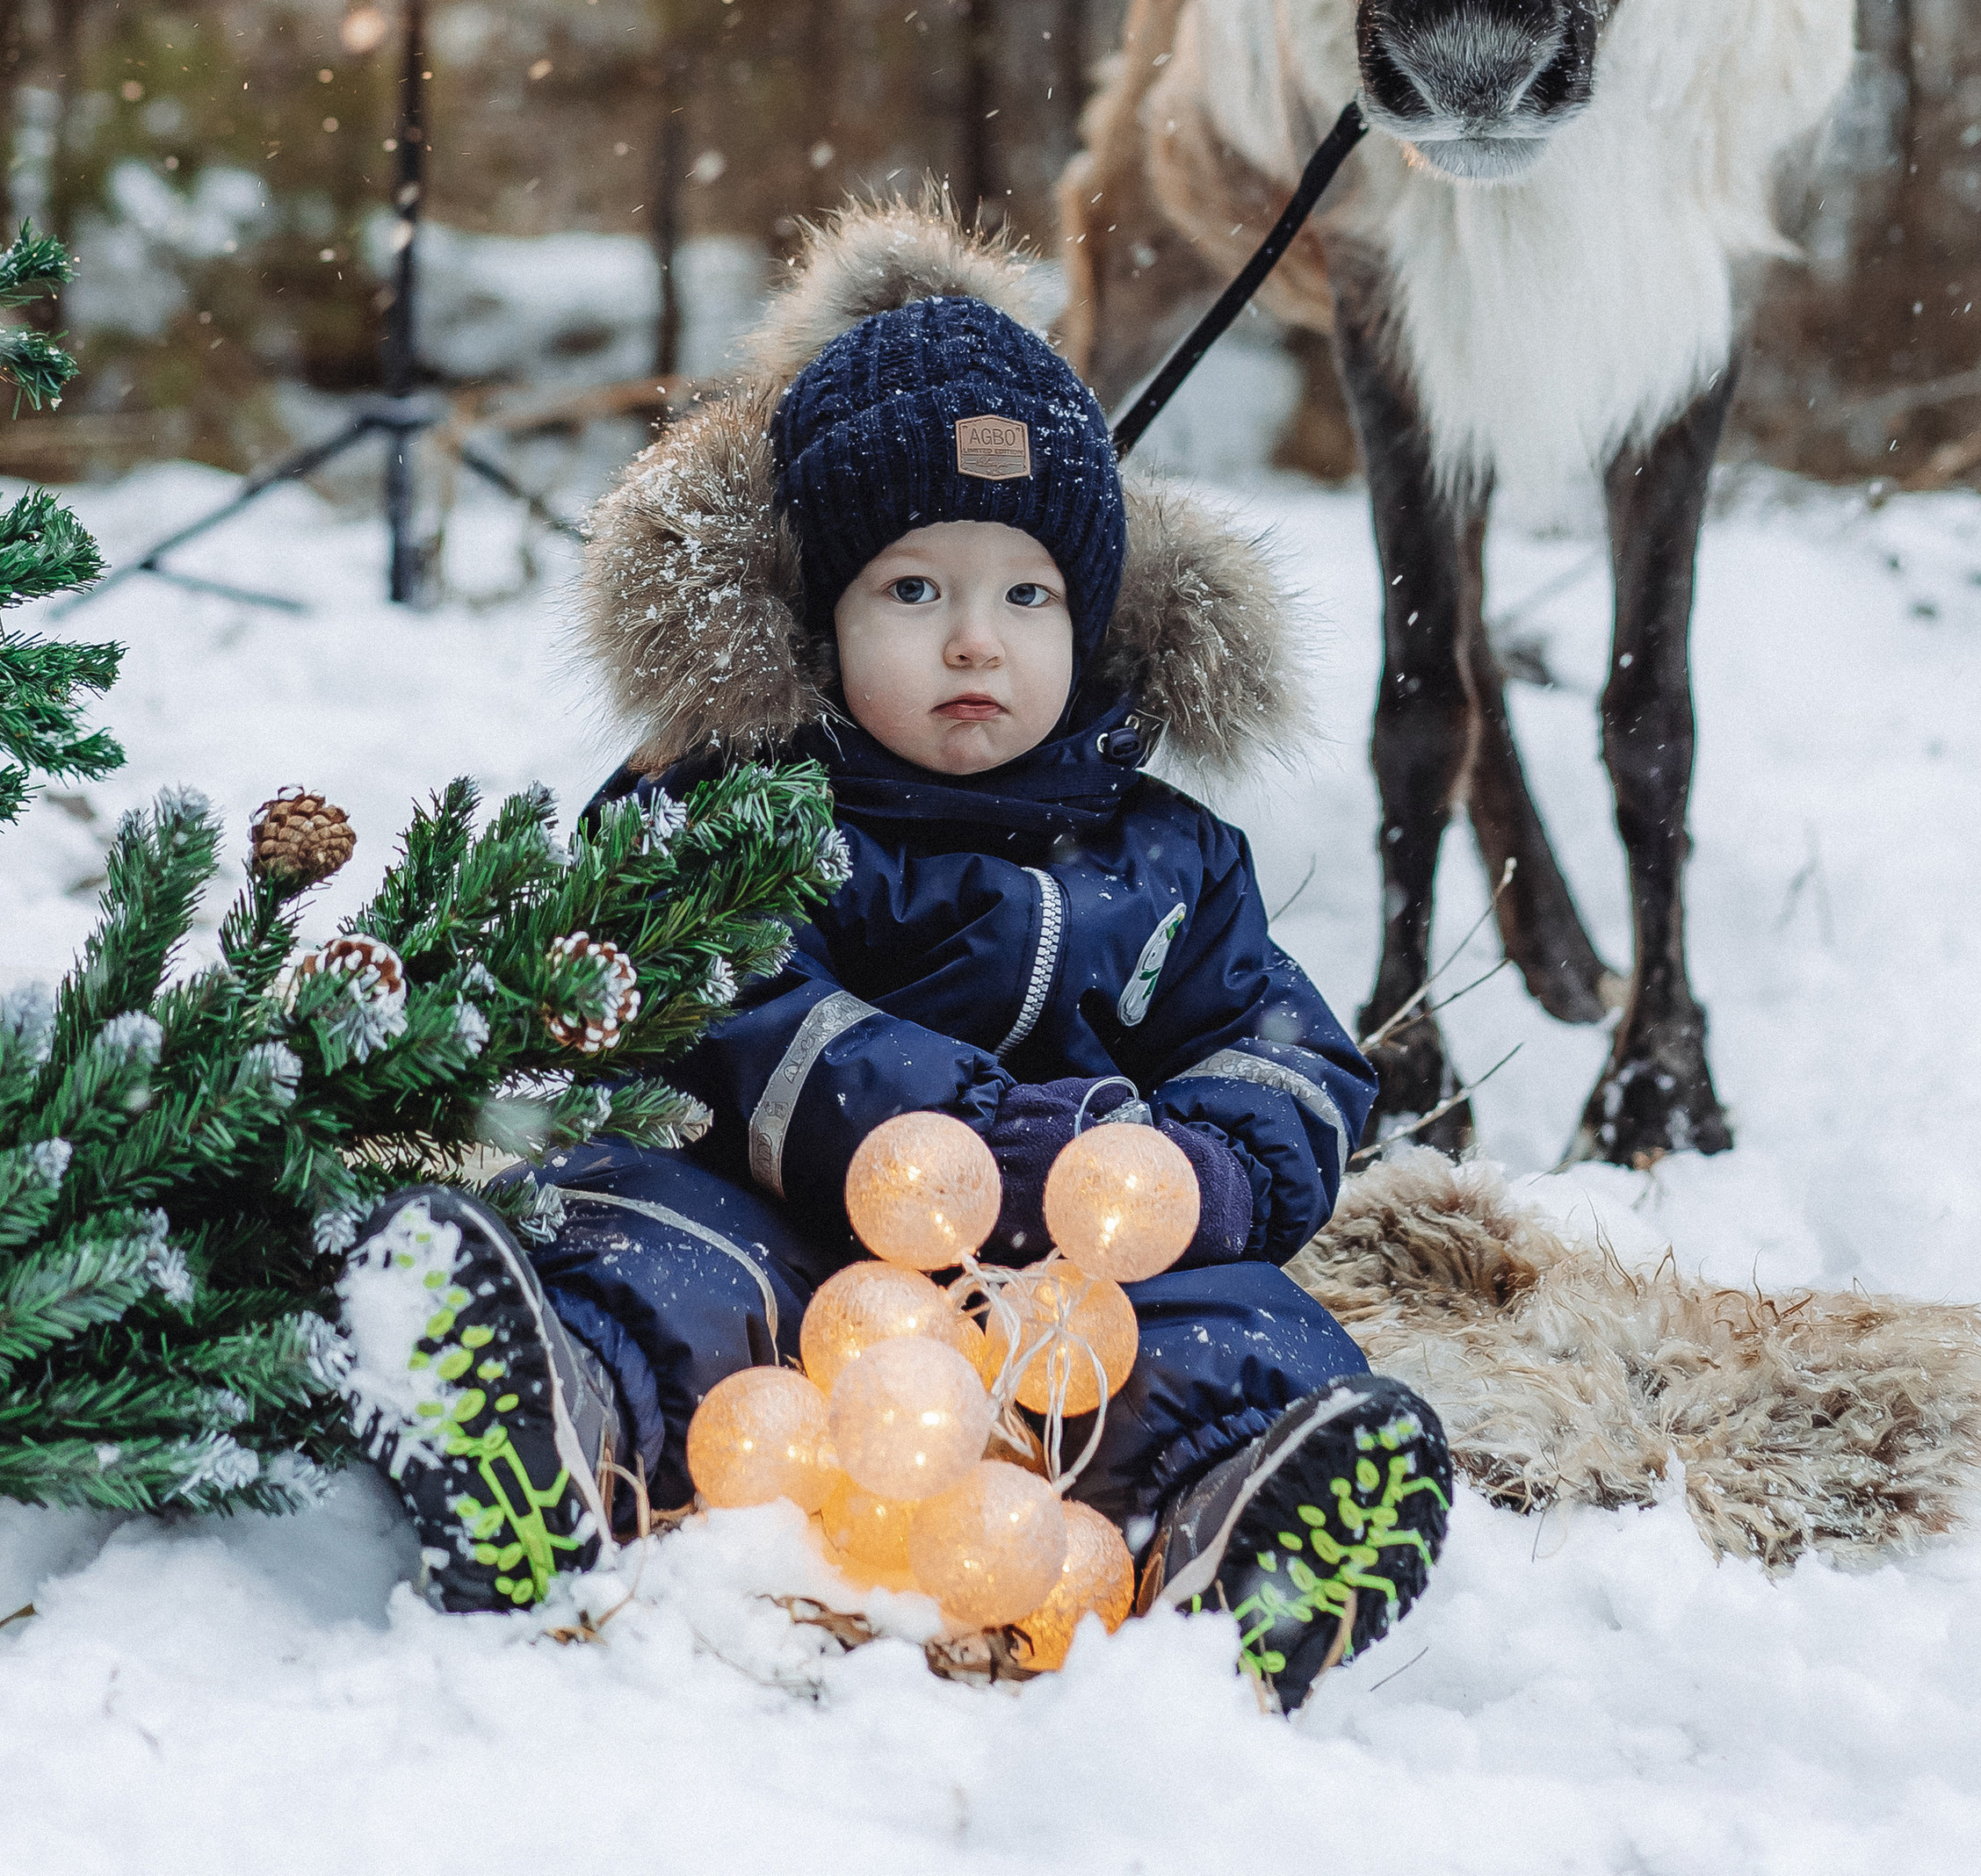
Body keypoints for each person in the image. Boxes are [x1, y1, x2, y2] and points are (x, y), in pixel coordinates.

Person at [338, 203, 1451, 1711]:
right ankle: (552, 1438)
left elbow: (1285, 1041)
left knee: (1248, 1331)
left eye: (1027, 593)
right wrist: (969, 1131)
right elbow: (720, 1009)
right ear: (820, 615)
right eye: (915, 591)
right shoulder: (745, 803)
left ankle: (1240, 1528)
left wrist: (1215, 1170)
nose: (976, 642)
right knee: (649, 1241)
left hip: (1070, 1283)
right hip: (781, 1216)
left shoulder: (1168, 854)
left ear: (1096, 616)